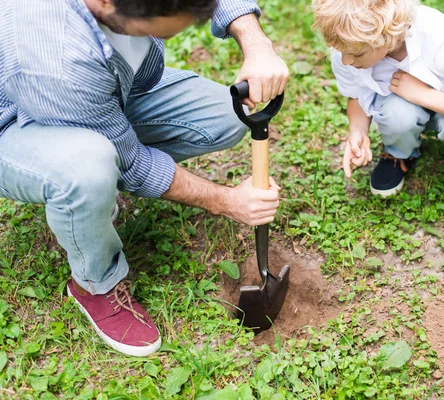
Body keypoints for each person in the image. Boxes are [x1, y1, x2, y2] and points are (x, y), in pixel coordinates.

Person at [0, 0, 289, 357]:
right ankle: (95, 283)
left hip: (107, 91)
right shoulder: (55, 57)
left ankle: (99, 175)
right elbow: (133, 163)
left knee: (226, 115)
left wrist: (256, 43)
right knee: (88, 169)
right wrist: (226, 201)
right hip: (13, 124)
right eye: (159, 29)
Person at [312, 0, 444, 201]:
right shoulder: (347, 47)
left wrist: (422, 94)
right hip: (401, 105)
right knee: (397, 114)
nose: (346, 60)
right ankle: (399, 152)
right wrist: (358, 130)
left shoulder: (435, 33)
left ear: (386, 37)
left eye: (356, 54)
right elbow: (355, 96)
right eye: (340, 52)